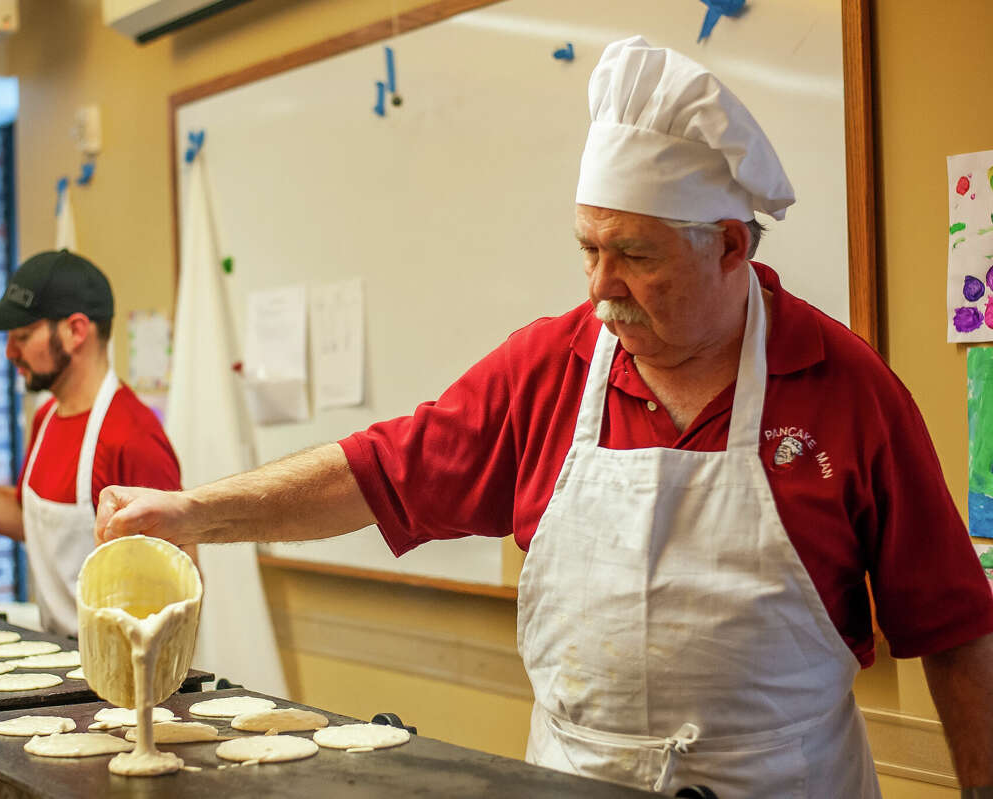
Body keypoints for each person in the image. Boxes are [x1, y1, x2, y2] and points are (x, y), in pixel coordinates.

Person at [91, 37, 993, 798]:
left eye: (634, 255)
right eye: (589, 250)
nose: (601, 288)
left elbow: (954, 632)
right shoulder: (547, 370)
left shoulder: (846, 385)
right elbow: (376, 472)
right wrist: (190, 512)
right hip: (572, 777)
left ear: (727, 244)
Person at [0, 249, 181, 638]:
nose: (9, 352)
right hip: (62, 656)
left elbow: (180, 578)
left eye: (23, 336)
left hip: (123, 676)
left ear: (76, 331)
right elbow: (30, 520)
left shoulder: (132, 436)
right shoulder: (46, 417)